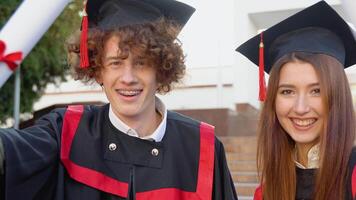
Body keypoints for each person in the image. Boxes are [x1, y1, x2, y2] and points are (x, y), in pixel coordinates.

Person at [0, 0, 238, 199]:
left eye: (142, 62)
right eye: (115, 63)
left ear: (161, 69)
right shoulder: (66, 132)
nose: (128, 78)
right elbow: (9, 155)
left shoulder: (201, 149)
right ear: (98, 70)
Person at [236, 1, 356, 200]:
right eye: (287, 92)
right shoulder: (267, 191)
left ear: (338, 96)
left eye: (316, 90)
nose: (300, 108)